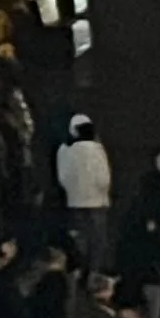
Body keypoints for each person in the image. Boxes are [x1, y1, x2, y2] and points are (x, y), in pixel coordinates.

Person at [55, 112, 112, 272]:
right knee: (97, 241)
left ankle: (78, 272)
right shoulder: (96, 149)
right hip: (97, 202)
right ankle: (93, 275)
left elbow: (63, 177)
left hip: (74, 201)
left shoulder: (64, 149)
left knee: (79, 239)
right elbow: (104, 177)